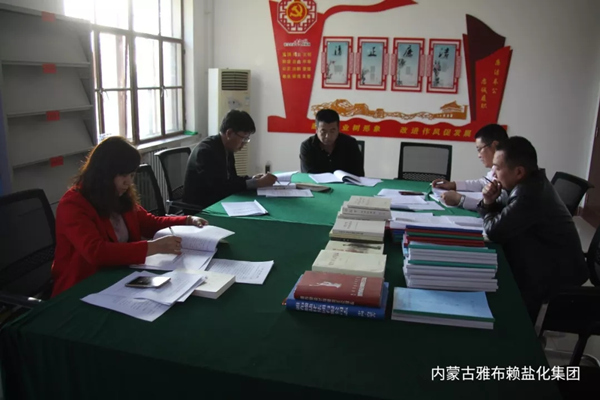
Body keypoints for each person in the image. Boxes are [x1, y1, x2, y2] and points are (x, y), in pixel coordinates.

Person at [52, 136, 208, 297]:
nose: (128, 183)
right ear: (103, 173)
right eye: (123, 175)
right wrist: (153, 247)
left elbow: (149, 223)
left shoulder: (119, 196)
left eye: (132, 175)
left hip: (121, 277)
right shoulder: (73, 204)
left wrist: (187, 220)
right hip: (83, 287)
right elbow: (96, 252)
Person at [478, 136, 588, 322]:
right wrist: (491, 204)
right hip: (544, 260)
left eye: (497, 167)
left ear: (519, 172)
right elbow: (502, 215)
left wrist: (488, 203)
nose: (493, 174)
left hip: (554, 279)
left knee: (497, 297)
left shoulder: (529, 194)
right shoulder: (530, 182)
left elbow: (495, 231)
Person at [183, 110, 277, 208]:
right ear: (229, 133)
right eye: (243, 138)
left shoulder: (227, 148)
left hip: (218, 201)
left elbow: (232, 180)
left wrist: (252, 178)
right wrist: (255, 183)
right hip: (201, 208)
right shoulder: (205, 152)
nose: (244, 144)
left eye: (247, 139)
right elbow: (219, 188)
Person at [432, 124, 508, 210]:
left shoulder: (508, 171)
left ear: (495, 145)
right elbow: (484, 183)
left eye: (479, 149)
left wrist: (460, 200)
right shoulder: (497, 168)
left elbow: (497, 204)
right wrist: (453, 185)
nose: (479, 155)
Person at [300, 109, 364, 176]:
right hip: (318, 183)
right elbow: (308, 176)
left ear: (338, 129)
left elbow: (359, 174)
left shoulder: (350, 144)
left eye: (332, 131)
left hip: (345, 182)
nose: (327, 136)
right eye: (323, 131)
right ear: (316, 129)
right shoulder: (307, 146)